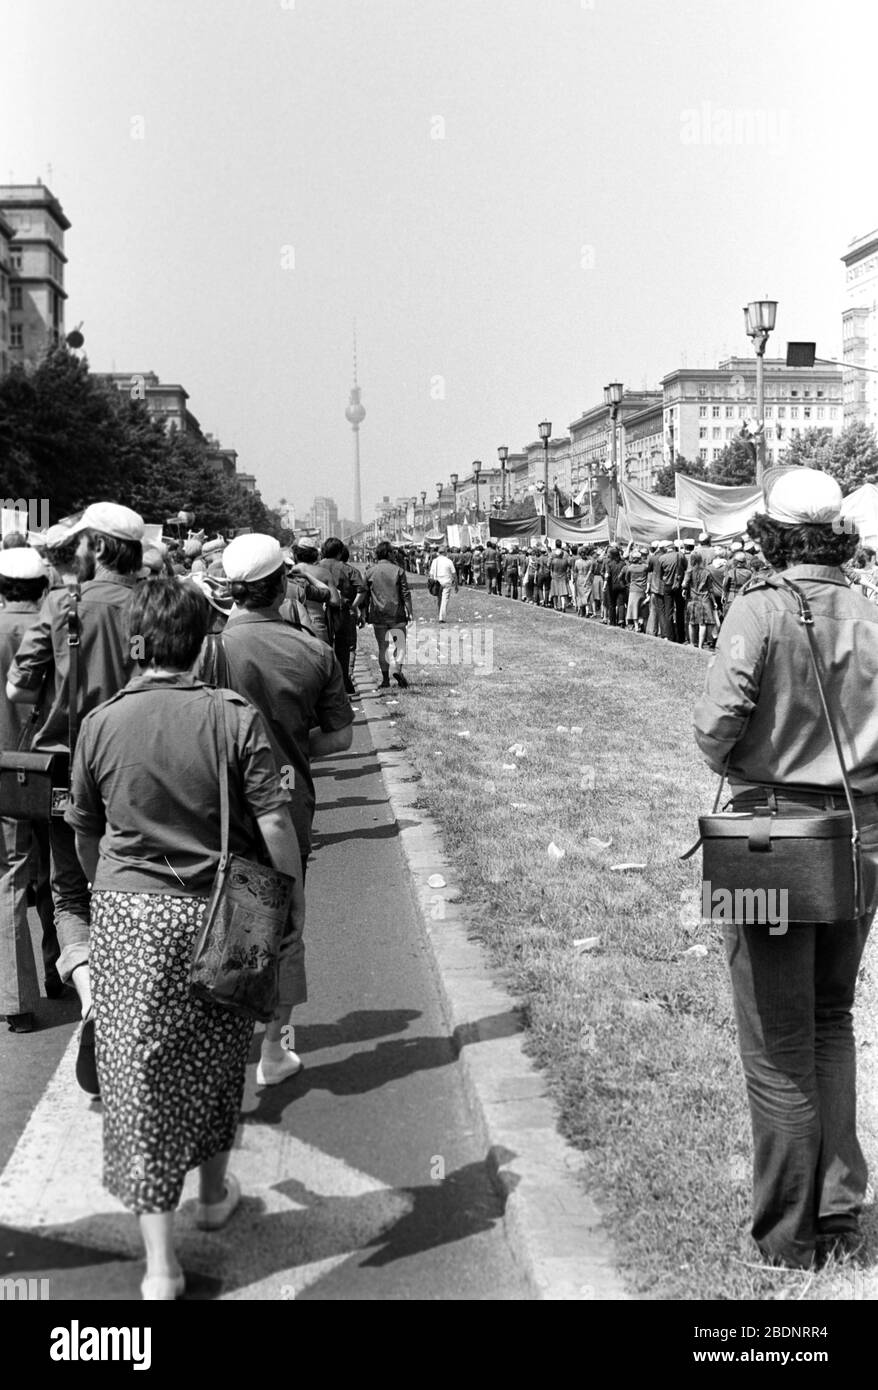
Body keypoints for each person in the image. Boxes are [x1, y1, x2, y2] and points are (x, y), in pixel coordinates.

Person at [66, 578, 304, 1299]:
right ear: (203, 642)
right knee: (217, 1057)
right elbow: (273, 827)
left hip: (131, 916)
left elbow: (84, 827)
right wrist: (286, 904)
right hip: (222, 911)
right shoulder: (233, 717)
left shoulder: (101, 723)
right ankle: (212, 1196)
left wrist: (109, 885)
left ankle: (161, 1265)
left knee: (138, 1076)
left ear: (136, 643)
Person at [693, 468, 878, 1270]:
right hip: (863, 836)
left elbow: (715, 724)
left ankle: (785, 1239)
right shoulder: (871, 607)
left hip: (773, 836)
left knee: (777, 1041)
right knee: (832, 1020)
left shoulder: (761, 606)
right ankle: (838, 1211)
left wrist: (750, 754)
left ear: (768, 531)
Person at [6, 502, 144, 1096]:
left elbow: (18, 686)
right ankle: (140, 996)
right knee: (135, 875)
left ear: (97, 547)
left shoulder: (62, 606)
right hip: (135, 762)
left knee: (68, 887)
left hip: (65, 767)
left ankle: (91, 997)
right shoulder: (151, 604)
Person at [0, 547, 59, 1031]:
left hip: (10, 768)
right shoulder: (54, 628)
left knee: (15, 878)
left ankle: (22, 996)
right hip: (43, 766)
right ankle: (56, 970)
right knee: (54, 870)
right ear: (43, 586)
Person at [681, 550, 719, 649]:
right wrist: (714, 602)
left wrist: (685, 588)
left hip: (693, 599)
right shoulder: (707, 572)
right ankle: (700, 646)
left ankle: (692, 643)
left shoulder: (689, 572)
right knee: (703, 623)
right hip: (705, 599)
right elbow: (710, 589)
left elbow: (684, 584)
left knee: (692, 623)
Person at [428, 546, 457, 624]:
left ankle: (440, 615)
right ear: (445, 552)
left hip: (437, 582)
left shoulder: (435, 561)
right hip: (447, 581)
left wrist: (432, 582)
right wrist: (456, 585)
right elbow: (454, 573)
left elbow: (431, 574)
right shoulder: (449, 561)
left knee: (439, 599)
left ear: (438, 553)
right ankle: (442, 617)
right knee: (444, 600)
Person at [548, 543, 570, 613]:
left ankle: (555, 605)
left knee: (554, 591)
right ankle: (563, 605)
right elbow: (569, 565)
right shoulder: (565, 560)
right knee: (563, 591)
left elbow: (549, 565)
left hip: (555, 575)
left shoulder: (553, 560)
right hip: (563, 575)